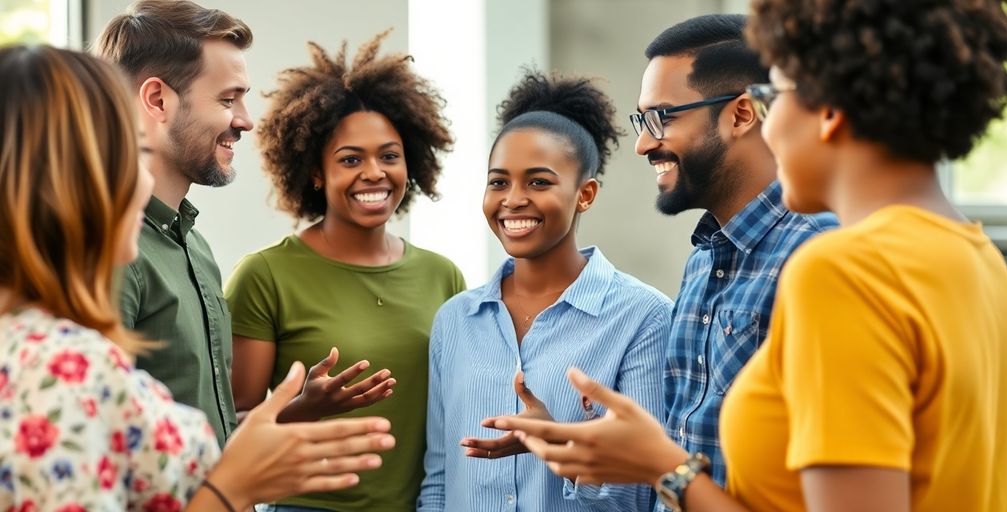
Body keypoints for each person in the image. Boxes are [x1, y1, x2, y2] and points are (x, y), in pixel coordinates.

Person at [492, 1, 1007, 511]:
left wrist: (664, 468)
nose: (773, 123)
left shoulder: (841, 270)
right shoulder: (981, 262)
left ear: (826, 108)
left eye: (777, 95)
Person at [0, 44, 395, 512]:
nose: (142, 180)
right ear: (70, 182)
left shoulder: (59, 351)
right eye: (132, 152)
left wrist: (282, 424)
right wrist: (231, 489)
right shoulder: (62, 369)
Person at [225, 31, 464, 512]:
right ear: (316, 172)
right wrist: (304, 408)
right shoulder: (265, 276)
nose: (374, 172)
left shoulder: (444, 277)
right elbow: (229, 431)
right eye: (350, 159)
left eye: (389, 156)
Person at [416, 71, 671, 512]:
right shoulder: (454, 320)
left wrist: (560, 446)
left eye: (538, 182)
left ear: (585, 194)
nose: (513, 199)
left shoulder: (643, 317)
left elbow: (640, 495)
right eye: (499, 182)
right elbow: (439, 481)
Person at [631, 14, 836, 486]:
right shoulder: (704, 257)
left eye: (662, 117)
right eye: (642, 120)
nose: (643, 144)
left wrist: (658, 466)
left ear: (742, 114)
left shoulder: (817, 254)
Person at [93, 0, 254, 446]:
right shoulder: (106, 249)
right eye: (228, 99)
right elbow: (94, 435)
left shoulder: (194, 245)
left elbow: (196, 429)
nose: (246, 120)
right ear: (158, 100)